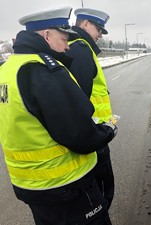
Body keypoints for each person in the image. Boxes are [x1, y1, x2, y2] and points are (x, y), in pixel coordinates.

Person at [0, 6, 117, 225]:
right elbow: (79, 134)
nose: (66, 47)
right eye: (64, 39)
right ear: (47, 35)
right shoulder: (43, 70)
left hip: (30, 185)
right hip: (65, 185)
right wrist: (108, 131)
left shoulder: (7, 69)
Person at [66, 8, 115, 209]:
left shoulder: (78, 46)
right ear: (84, 24)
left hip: (94, 131)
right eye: (99, 29)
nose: (100, 35)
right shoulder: (80, 48)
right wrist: (95, 134)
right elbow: (78, 99)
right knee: (102, 191)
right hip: (93, 133)